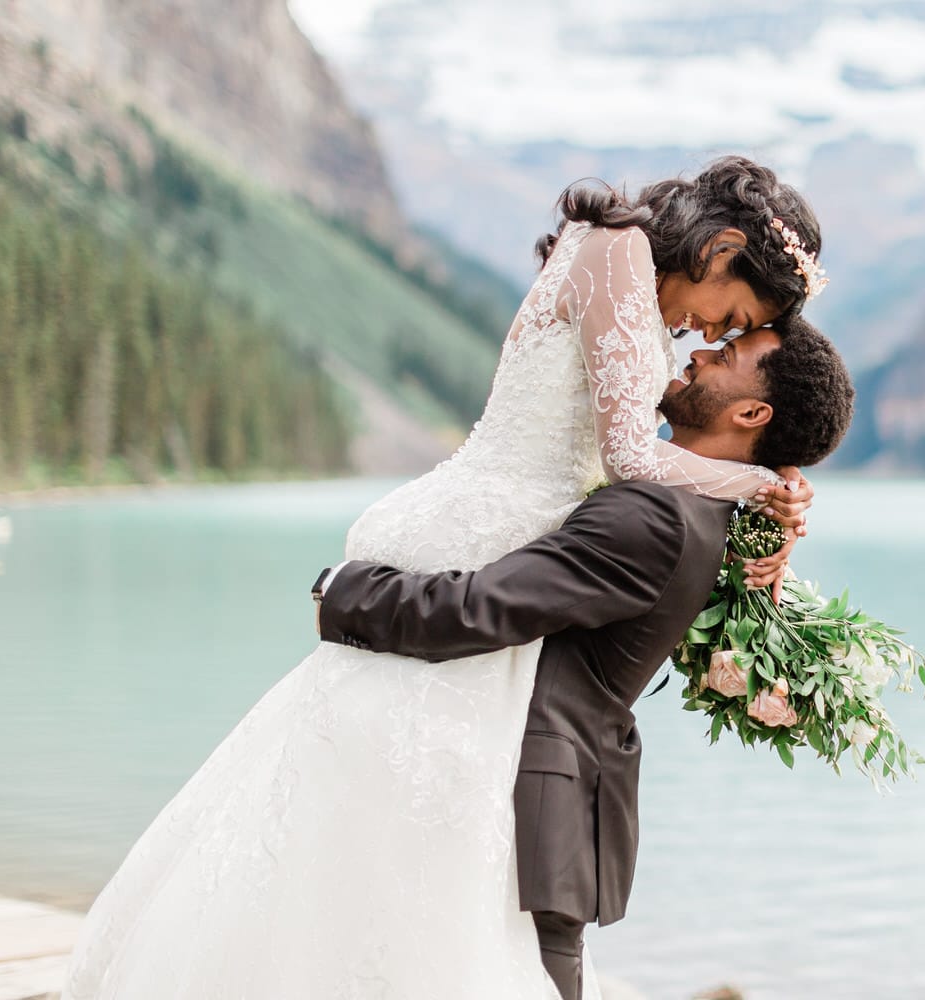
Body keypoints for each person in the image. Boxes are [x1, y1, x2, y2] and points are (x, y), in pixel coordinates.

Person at [61, 157, 831, 1000]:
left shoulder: (639, 285)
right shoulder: (616, 251)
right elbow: (625, 456)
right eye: (734, 312)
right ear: (720, 248)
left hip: (513, 541)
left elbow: (641, 482)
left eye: (735, 332)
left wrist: (763, 507)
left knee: (410, 817)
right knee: (390, 794)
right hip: (478, 531)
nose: (710, 334)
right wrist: (760, 483)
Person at [315, 317, 855, 1000]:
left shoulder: (654, 517)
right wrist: (778, 480)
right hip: (555, 802)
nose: (699, 354)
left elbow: (480, 609)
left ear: (751, 411)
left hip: (531, 802)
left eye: (727, 354)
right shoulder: (711, 508)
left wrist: (340, 593)